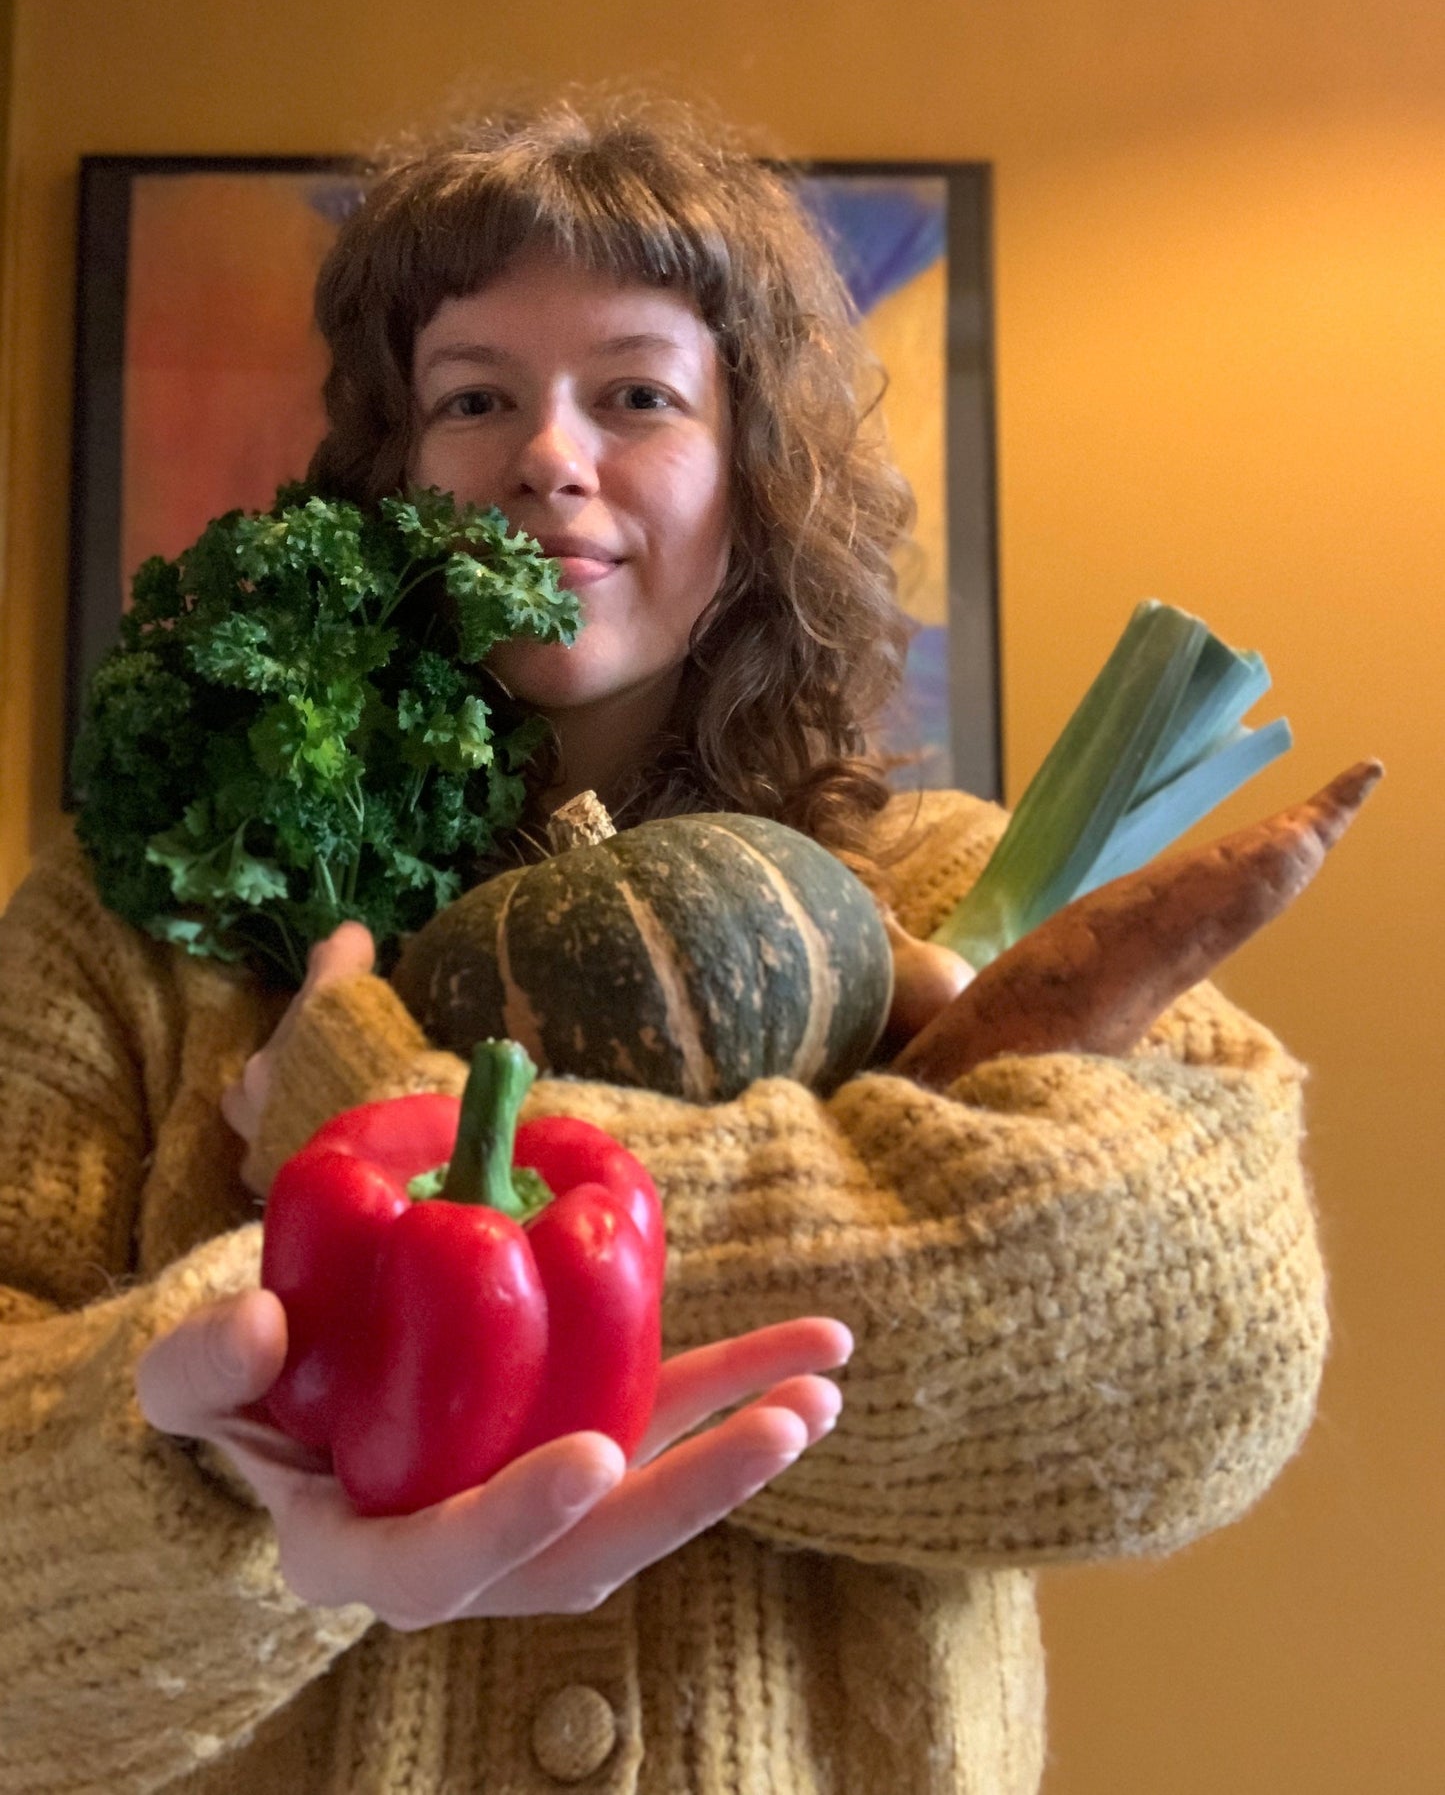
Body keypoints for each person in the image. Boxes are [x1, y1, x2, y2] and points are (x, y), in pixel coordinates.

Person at [0, 94, 1328, 1795]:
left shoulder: (950, 898)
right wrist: (222, 1470)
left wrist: (379, 1123)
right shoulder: (139, 936)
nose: (549, 453)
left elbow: (1199, 1358)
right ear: (390, 471)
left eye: (637, 393)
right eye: (472, 397)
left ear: (752, 469)